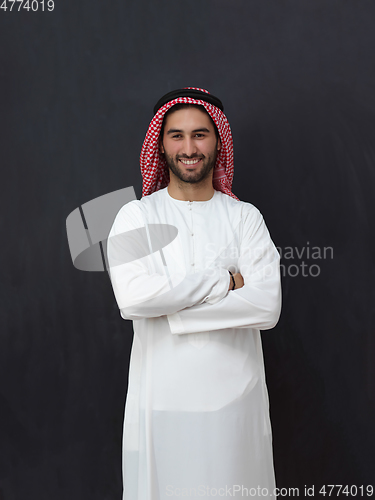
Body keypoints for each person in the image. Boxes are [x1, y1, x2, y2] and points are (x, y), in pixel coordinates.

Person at [107, 87, 282, 499]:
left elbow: (267, 305)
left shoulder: (245, 217)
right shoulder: (135, 216)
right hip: (161, 405)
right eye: (177, 135)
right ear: (161, 144)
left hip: (235, 408)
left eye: (200, 134)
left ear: (218, 141)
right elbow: (133, 298)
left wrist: (175, 311)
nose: (189, 147)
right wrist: (223, 281)